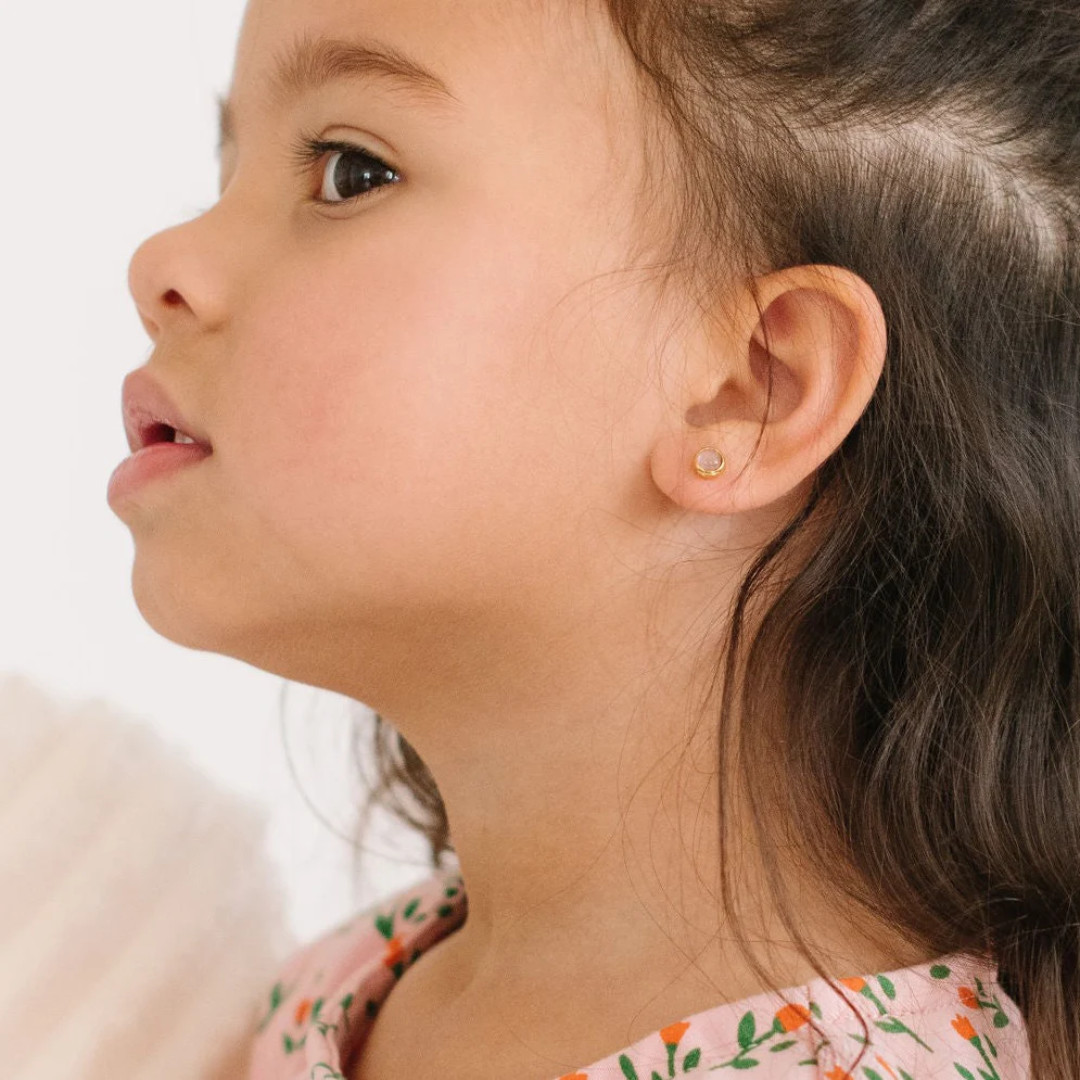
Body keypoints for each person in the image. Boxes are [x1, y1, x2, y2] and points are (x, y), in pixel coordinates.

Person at [110, 0, 1079, 1076]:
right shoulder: (339, 992)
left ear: (750, 391)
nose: (162, 259)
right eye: (228, 157)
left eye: (349, 170)